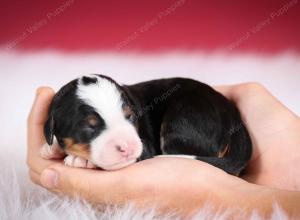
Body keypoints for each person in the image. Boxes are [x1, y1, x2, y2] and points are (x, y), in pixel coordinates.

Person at [27, 83, 300, 218]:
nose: (126, 142)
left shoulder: (153, 108)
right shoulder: (59, 123)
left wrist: (225, 195)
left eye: (128, 117)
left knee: (184, 118)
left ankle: (202, 156)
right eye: (91, 127)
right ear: (54, 130)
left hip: (199, 113)